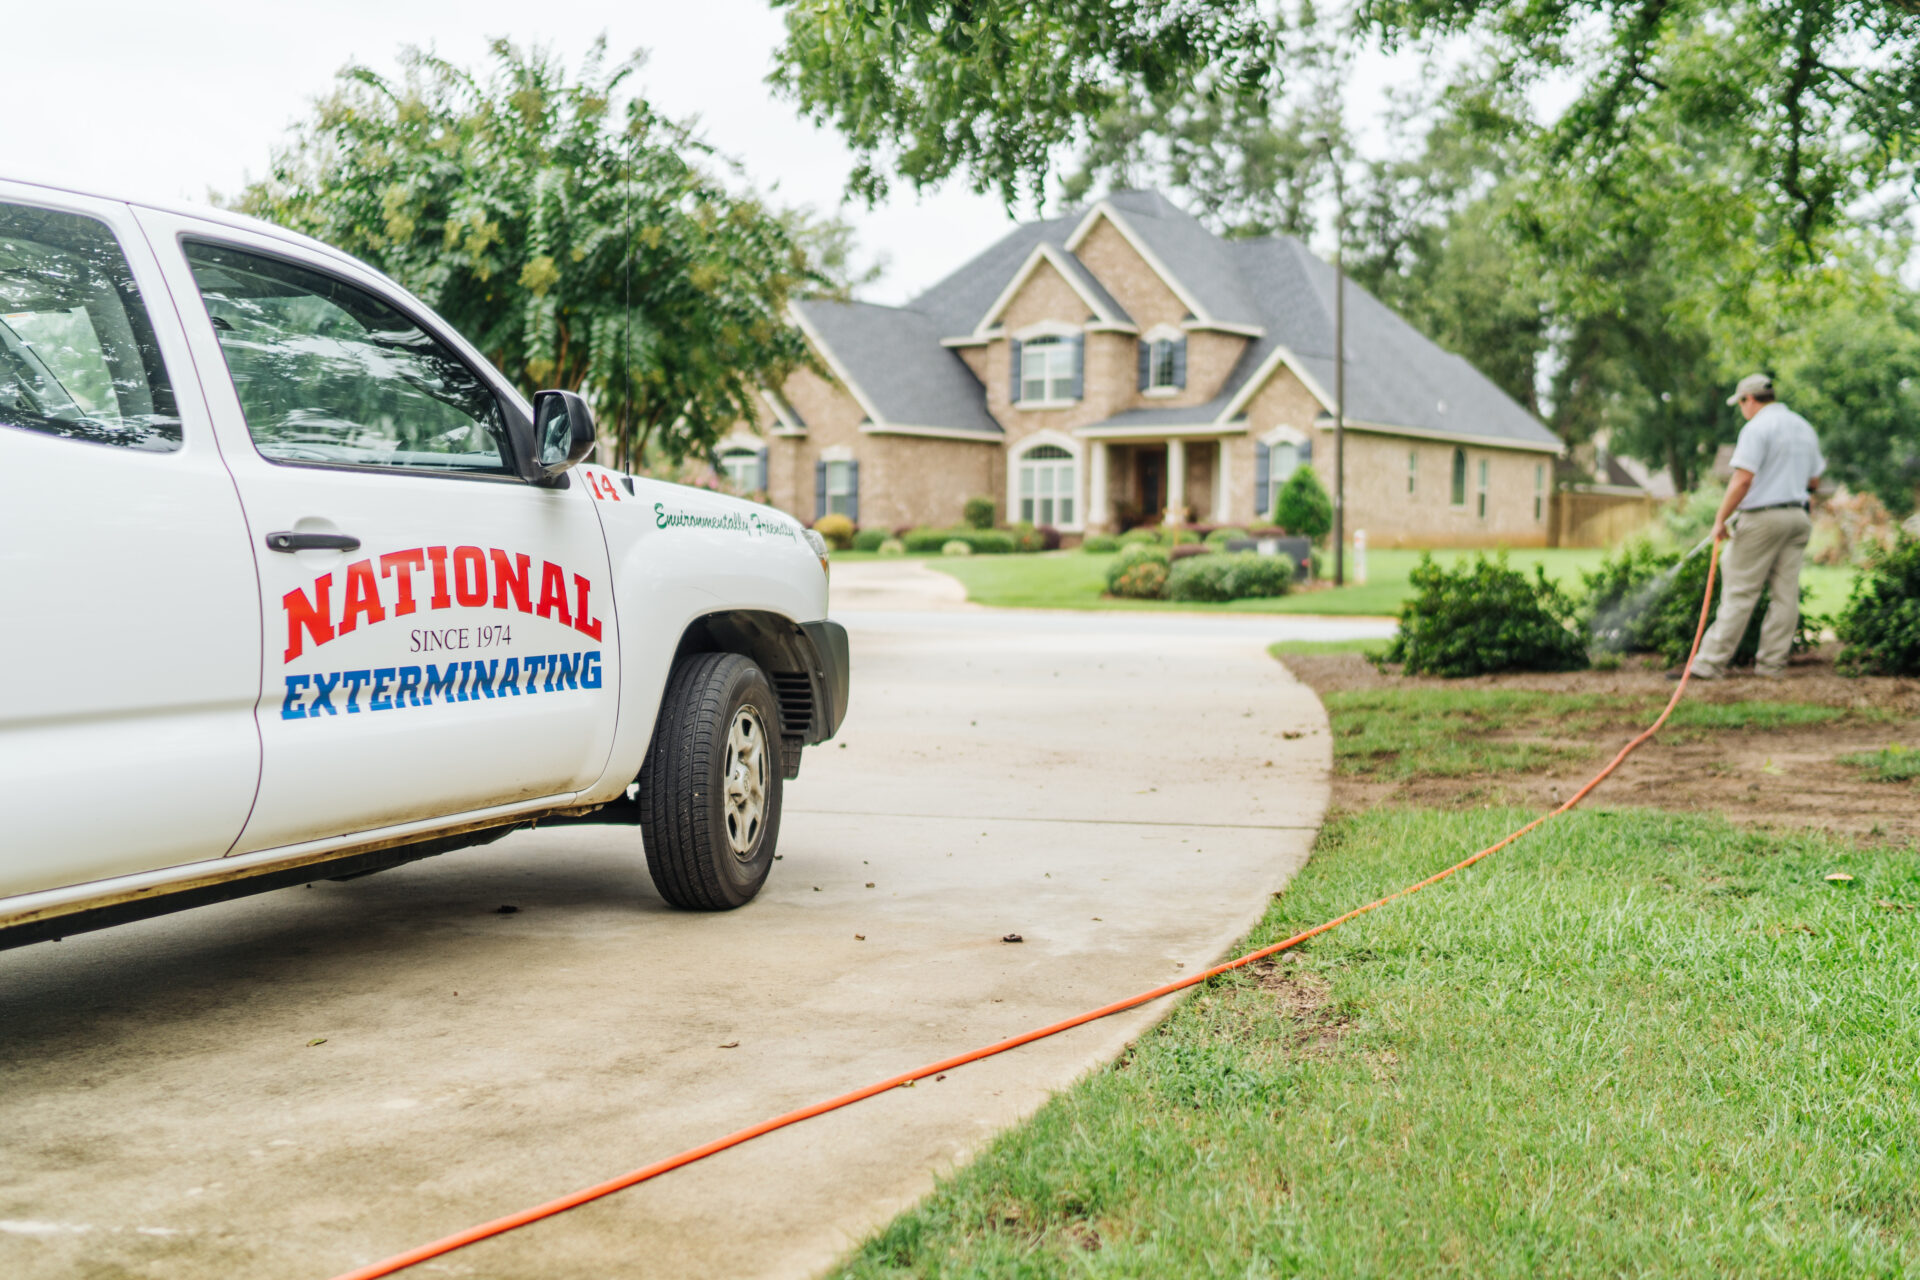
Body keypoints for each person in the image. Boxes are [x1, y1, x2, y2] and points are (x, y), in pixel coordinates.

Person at [1675, 373, 1825, 681]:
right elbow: (1814, 481)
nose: (1742, 409)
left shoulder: (1757, 427)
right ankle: (1771, 667)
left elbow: (1743, 479)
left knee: (1740, 592)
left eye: (1741, 403)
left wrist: (1720, 520)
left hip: (1762, 519)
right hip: (1797, 518)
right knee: (1786, 596)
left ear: (1749, 400)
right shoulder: (1804, 427)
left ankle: (1708, 665)